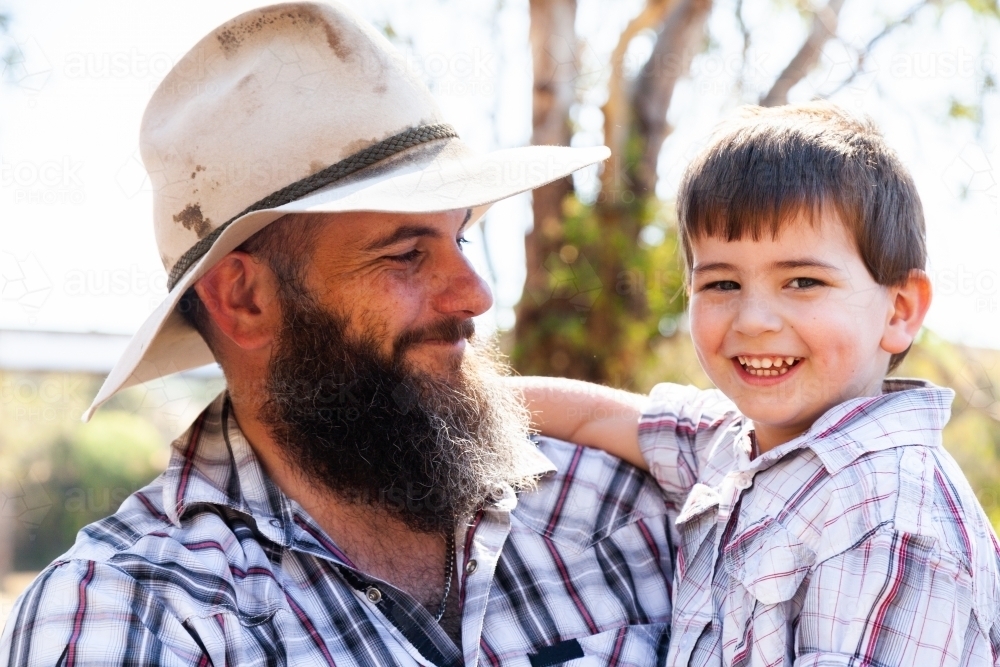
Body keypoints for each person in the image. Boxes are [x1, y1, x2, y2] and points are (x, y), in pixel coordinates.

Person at [0, 3, 675, 665]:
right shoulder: (137, 612)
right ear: (243, 298)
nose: (475, 293)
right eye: (407, 253)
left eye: (461, 236)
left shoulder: (621, 504)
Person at [515, 103, 1000, 665]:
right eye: (721, 283)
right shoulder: (737, 448)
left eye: (802, 281)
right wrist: (440, 404)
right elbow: (593, 418)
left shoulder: (890, 518)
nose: (753, 320)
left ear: (899, 310)